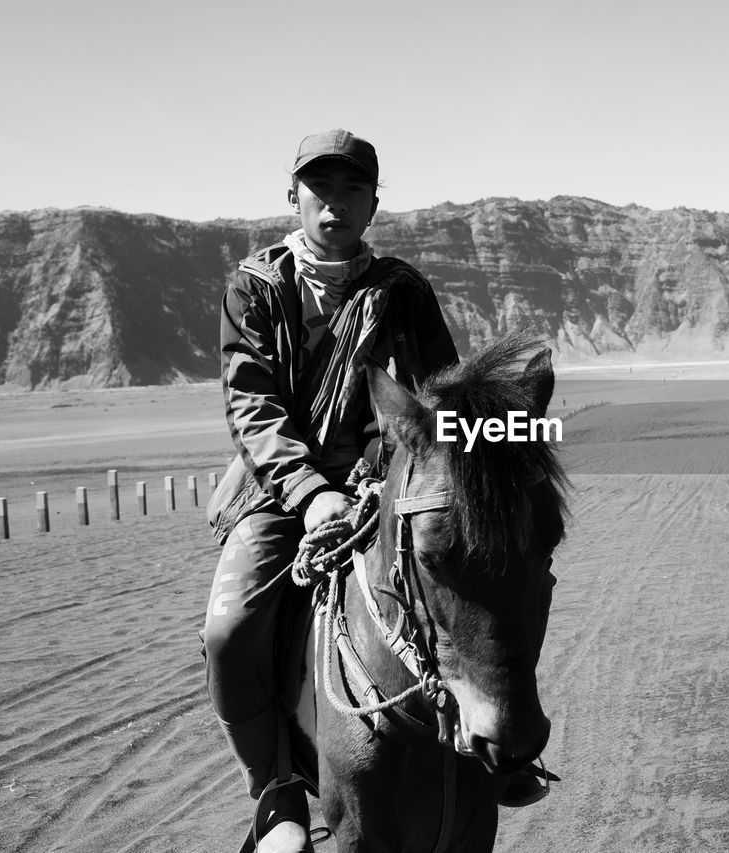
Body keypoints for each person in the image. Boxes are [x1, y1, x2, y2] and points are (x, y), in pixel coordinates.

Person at [202, 129, 459, 853]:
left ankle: (496, 743)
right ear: (294, 196)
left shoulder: (402, 291)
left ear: (375, 203)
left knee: (483, 576)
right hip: (283, 495)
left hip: (387, 486)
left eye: (353, 189)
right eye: (321, 187)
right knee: (228, 633)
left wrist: (415, 464)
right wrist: (314, 493)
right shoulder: (255, 286)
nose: (335, 203)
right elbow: (253, 406)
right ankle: (277, 791)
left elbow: (439, 393)